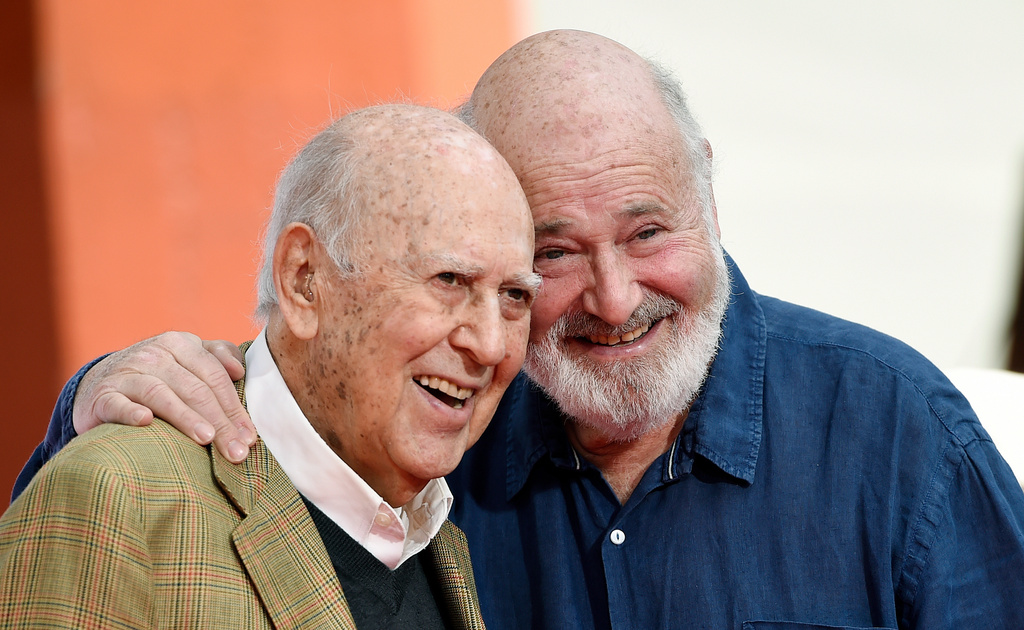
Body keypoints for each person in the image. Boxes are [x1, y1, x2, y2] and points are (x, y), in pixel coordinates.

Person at [15, 30, 1024, 629]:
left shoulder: (899, 434)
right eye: (551, 254)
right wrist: (97, 401)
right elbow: (284, 399)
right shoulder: (434, 424)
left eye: (647, 230)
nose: (616, 298)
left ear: (708, 190)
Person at [0, 103, 539, 628]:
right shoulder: (117, 497)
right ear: (304, 280)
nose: (491, 345)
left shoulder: (442, 530)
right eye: (448, 281)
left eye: (515, 294)